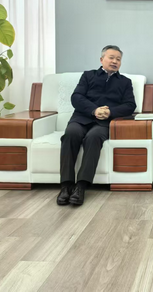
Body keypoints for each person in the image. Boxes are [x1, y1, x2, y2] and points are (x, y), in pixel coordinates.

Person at [57, 45, 136, 206]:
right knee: (71, 134)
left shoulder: (125, 82)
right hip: (81, 118)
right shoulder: (88, 76)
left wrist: (110, 112)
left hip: (104, 122)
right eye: (111, 58)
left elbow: (130, 105)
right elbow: (76, 97)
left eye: (118, 59)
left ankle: (81, 186)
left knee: (93, 137)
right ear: (102, 59)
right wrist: (94, 110)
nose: (115, 61)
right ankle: (66, 186)